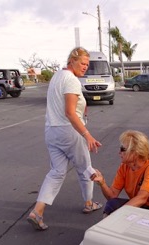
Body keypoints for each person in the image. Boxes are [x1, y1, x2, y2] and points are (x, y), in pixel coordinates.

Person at [27, 47, 103, 231]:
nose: (85, 67)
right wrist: (87, 134)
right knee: (85, 167)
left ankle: (37, 211)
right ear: (72, 61)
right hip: (68, 132)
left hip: (51, 131)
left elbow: (67, 105)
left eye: (87, 64)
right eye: (83, 63)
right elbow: (69, 113)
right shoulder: (71, 81)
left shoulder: (57, 76)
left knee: (57, 172)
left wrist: (82, 108)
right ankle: (89, 203)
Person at [91, 130, 149, 218]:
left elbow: (142, 198)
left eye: (122, 149)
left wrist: (119, 214)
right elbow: (112, 196)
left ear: (136, 152)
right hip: (139, 208)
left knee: (115, 212)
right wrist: (102, 183)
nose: (119, 152)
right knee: (111, 204)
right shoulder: (125, 167)